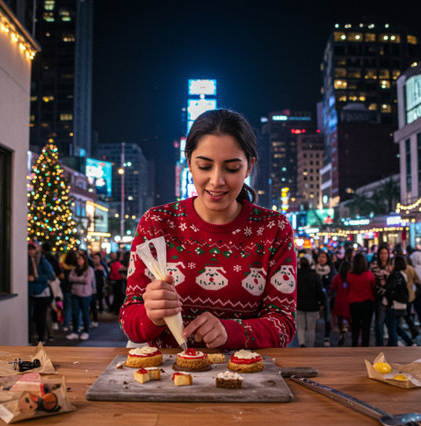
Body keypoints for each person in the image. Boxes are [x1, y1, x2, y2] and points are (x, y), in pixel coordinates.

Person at [120, 108, 297, 349]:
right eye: (204, 166)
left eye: (232, 168)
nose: (216, 181)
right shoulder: (156, 223)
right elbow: (129, 319)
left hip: (245, 377)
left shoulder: (274, 228)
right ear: (189, 164)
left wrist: (232, 331)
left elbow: (283, 323)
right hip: (164, 378)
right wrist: (151, 315)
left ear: (249, 166)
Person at [296, 252, 325, 347]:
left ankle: (302, 344)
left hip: (299, 305)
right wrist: (322, 303)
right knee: (311, 329)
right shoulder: (315, 276)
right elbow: (320, 290)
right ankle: (309, 347)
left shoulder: (296, 275)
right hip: (312, 305)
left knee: (300, 328)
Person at [383, 255, 413, 346]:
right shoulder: (402, 275)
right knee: (395, 327)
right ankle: (409, 342)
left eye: (391, 264)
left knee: (392, 328)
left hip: (393, 306)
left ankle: (393, 347)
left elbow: (389, 289)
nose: (389, 266)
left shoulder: (394, 275)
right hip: (401, 305)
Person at [347, 252, 376, 347]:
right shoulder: (369, 275)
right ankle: (365, 346)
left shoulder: (350, 275)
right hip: (367, 303)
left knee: (355, 326)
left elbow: (348, 288)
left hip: (354, 303)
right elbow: (373, 287)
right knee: (366, 327)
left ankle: (354, 345)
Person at [28, 243, 54, 345]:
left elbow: (49, 275)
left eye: (33, 249)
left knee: (41, 317)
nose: (31, 251)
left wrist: (36, 278)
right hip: (30, 293)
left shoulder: (42, 261)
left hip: (42, 293)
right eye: (29, 249)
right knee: (31, 316)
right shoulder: (26, 261)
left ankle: (41, 337)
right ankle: (32, 337)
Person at [66, 252, 95, 341]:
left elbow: (87, 280)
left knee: (85, 313)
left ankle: (86, 331)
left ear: (84, 260)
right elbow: (70, 278)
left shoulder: (89, 269)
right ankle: (75, 331)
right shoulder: (75, 269)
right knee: (75, 313)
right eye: (78, 259)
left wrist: (77, 279)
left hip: (85, 294)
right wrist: (80, 279)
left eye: (81, 259)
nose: (79, 261)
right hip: (75, 293)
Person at [370, 243, 391, 346]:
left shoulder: (391, 266)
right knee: (379, 323)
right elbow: (376, 283)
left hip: (391, 298)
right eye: (381, 253)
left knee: (391, 323)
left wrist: (385, 284)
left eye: (385, 253)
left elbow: (390, 283)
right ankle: (379, 345)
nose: (383, 256)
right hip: (379, 297)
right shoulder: (374, 266)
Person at [314, 250, 337, 347]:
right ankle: (313, 336)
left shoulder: (332, 271)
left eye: (323, 257)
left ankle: (327, 337)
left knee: (327, 317)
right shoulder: (314, 270)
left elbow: (333, 285)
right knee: (314, 318)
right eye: (320, 257)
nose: (321, 259)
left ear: (327, 259)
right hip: (315, 297)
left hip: (327, 297)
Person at [330, 260, 352, 346]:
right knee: (350, 319)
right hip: (349, 300)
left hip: (339, 300)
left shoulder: (336, 277)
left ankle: (341, 332)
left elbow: (332, 288)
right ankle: (348, 329)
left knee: (339, 318)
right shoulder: (351, 277)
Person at [60, 249, 77, 331]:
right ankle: (76, 324)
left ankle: (66, 325)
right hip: (76, 290)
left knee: (67, 308)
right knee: (76, 309)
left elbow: (62, 279)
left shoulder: (64, 267)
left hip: (66, 289)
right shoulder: (76, 268)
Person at [90, 252, 108, 327]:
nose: (95, 260)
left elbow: (106, 275)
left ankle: (98, 314)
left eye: (97, 258)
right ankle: (93, 319)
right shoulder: (90, 266)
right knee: (92, 303)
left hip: (100, 286)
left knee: (99, 299)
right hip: (91, 287)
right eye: (94, 258)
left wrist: (102, 270)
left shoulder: (102, 265)